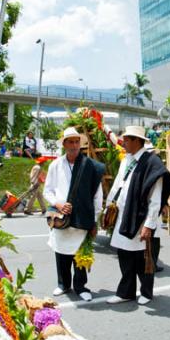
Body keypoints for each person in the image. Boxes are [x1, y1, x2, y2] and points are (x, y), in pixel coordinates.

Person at [106, 126, 170, 305]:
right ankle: (126, 293)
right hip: (124, 216)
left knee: (143, 258)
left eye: (126, 139)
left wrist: (149, 225)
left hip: (141, 218)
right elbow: (118, 185)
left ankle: (146, 292)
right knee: (125, 255)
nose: (124, 143)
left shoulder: (152, 163)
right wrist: (108, 206)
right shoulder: (126, 160)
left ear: (136, 141)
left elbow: (155, 199)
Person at [43, 127, 105, 302]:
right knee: (61, 252)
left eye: (77, 141)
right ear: (64, 144)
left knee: (80, 253)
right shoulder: (55, 165)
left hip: (82, 217)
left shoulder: (90, 166)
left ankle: (80, 286)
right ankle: (63, 284)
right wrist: (58, 204)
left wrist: (95, 220)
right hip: (61, 217)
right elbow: (47, 191)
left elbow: (97, 195)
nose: (74, 145)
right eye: (70, 141)